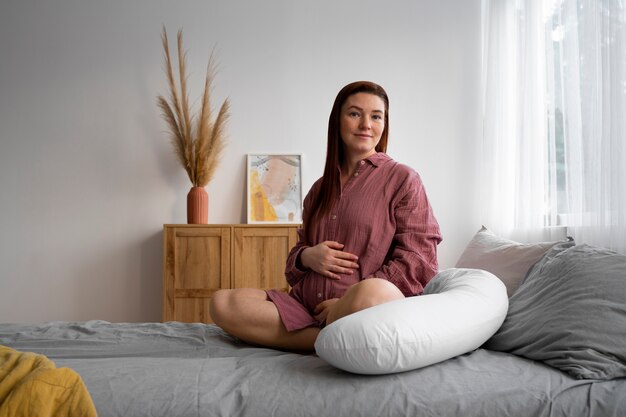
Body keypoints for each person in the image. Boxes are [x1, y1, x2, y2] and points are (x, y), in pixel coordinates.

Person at [210, 81, 442, 351]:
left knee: (373, 293)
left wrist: (346, 304)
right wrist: (307, 256)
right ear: (338, 121)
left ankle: (333, 332)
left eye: (376, 116)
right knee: (223, 302)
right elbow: (293, 267)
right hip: (305, 309)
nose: (366, 124)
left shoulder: (403, 179)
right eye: (355, 113)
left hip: (361, 309)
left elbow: (420, 259)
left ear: (384, 123)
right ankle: (324, 341)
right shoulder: (319, 189)